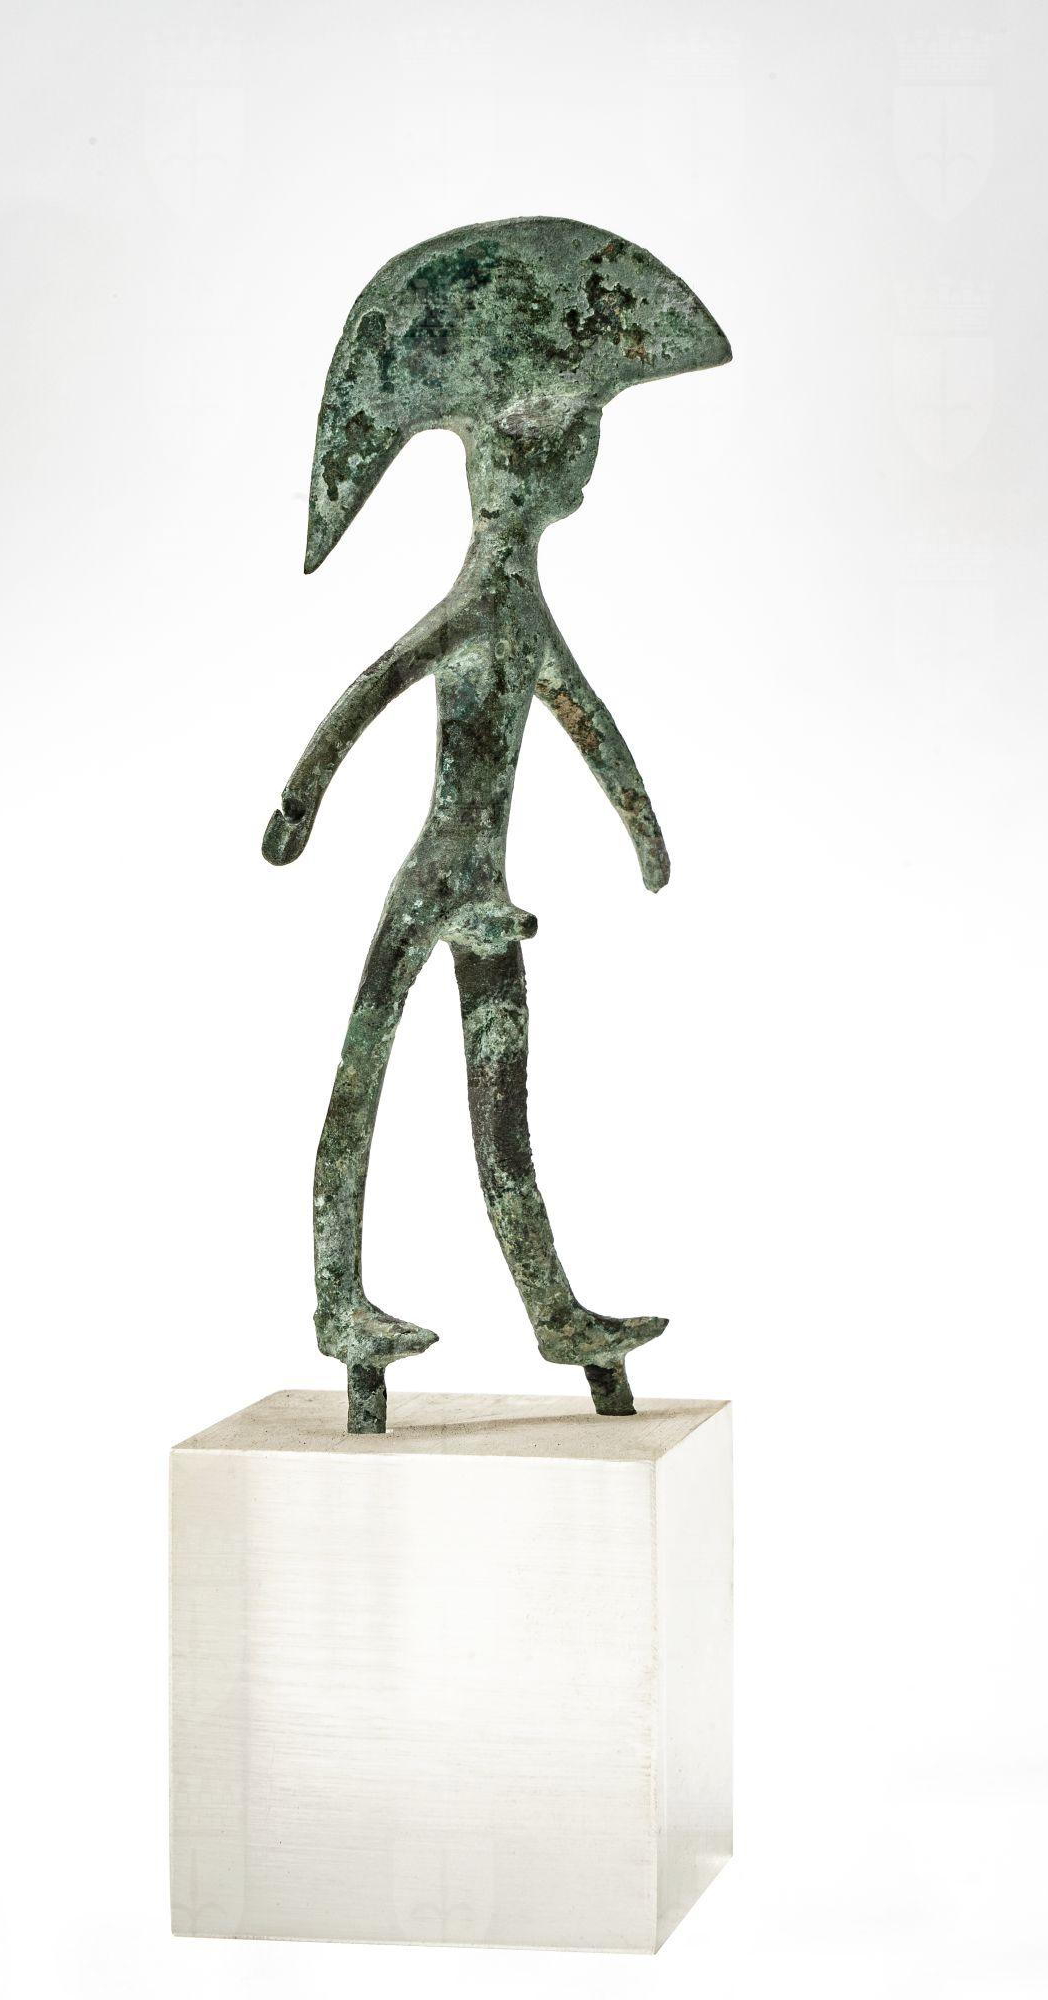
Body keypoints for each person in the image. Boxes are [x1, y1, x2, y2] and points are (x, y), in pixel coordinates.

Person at [264, 218, 731, 1432]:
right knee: (366, 1083)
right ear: (529, 462)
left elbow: (585, 719)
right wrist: (300, 800)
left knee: (488, 1109)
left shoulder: (513, 607)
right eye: (573, 441)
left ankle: (550, 1312)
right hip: (435, 882)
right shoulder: (482, 604)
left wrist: (642, 826)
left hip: (479, 893)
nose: (581, 467)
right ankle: (344, 1304)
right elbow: (375, 687)